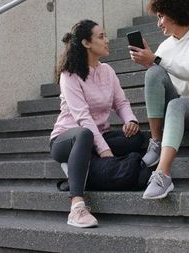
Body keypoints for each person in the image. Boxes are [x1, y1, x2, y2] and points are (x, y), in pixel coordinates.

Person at [50, 20, 144, 228]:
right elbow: (82, 118)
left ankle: (83, 166)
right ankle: (76, 206)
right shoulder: (69, 75)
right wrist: (105, 152)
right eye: (101, 37)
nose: (107, 40)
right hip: (68, 139)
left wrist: (130, 120)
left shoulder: (107, 71)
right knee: (84, 134)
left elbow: (121, 102)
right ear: (86, 43)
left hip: (99, 134)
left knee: (137, 138)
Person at [129, 0, 189, 199]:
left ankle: (163, 174)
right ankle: (156, 141)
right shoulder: (165, 46)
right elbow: (163, 73)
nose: (159, 23)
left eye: (161, 16)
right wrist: (151, 62)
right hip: (178, 103)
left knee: (175, 103)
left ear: (176, 13)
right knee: (153, 73)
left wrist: (156, 59)